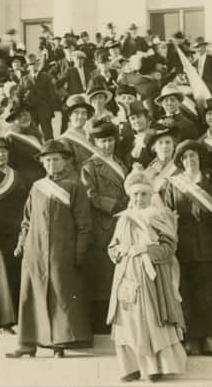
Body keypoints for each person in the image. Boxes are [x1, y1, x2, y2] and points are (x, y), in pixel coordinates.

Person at [6, 140, 93, 358]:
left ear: (65, 162)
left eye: (56, 159)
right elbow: (26, 221)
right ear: (43, 163)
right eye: (48, 160)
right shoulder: (37, 188)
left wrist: (79, 253)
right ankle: (27, 344)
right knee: (30, 296)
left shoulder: (75, 187)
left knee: (60, 296)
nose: (52, 163)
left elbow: (84, 225)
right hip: (34, 251)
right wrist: (21, 244)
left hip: (61, 252)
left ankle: (58, 344)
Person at [107, 166, 187, 383]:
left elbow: (169, 248)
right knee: (127, 323)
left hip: (151, 276)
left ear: (150, 195)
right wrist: (120, 252)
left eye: (143, 194)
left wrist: (145, 250)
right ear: (130, 196)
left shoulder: (158, 217)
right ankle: (130, 368)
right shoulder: (123, 219)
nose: (139, 198)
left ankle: (154, 368)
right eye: (135, 194)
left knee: (150, 320)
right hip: (126, 276)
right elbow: (112, 247)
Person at [165, 140, 212, 356]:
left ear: (199, 158)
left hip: (209, 242)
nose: (190, 160)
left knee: (207, 293)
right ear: (181, 161)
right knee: (186, 292)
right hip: (184, 245)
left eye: (194, 156)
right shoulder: (173, 184)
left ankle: (207, 339)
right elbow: (167, 211)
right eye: (186, 157)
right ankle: (190, 339)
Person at [82, 120, 128, 333]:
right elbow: (90, 195)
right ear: (95, 143)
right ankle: (101, 322)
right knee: (102, 273)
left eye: (110, 140)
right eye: (103, 141)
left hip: (122, 222)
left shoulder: (120, 163)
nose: (107, 145)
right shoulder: (90, 166)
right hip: (103, 224)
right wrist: (115, 205)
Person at [0, 138, 27, 334]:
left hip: (17, 234)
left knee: (17, 275)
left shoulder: (17, 175)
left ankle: (20, 317)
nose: (1, 154)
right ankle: (4, 322)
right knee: (0, 276)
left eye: (4, 151)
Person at [4, 103, 45, 190]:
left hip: (41, 178)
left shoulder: (35, 133)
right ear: (13, 121)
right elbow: (10, 165)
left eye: (25, 114)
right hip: (25, 182)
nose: (24, 118)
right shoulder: (11, 137)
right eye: (19, 116)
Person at [18, 54, 57, 140]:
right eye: (30, 65)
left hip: (44, 109)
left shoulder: (46, 77)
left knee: (48, 133)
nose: (33, 66)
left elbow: (52, 95)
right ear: (28, 66)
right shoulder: (23, 79)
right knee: (32, 133)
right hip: (31, 110)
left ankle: (51, 149)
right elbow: (20, 95)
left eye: (34, 64)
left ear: (38, 64)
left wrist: (49, 109)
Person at [59, 94, 95, 176]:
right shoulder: (65, 140)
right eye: (76, 113)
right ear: (69, 116)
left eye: (84, 113)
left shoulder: (91, 135)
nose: (80, 116)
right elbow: (68, 168)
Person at [145, 123, 179, 206]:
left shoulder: (180, 166)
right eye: (160, 143)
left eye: (168, 142)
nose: (164, 146)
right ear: (154, 148)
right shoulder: (149, 171)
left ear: (173, 146)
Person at [119, 100, 155, 170]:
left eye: (139, 116)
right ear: (130, 123)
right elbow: (126, 164)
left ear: (146, 118)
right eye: (133, 118)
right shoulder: (128, 141)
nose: (136, 121)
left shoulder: (155, 134)